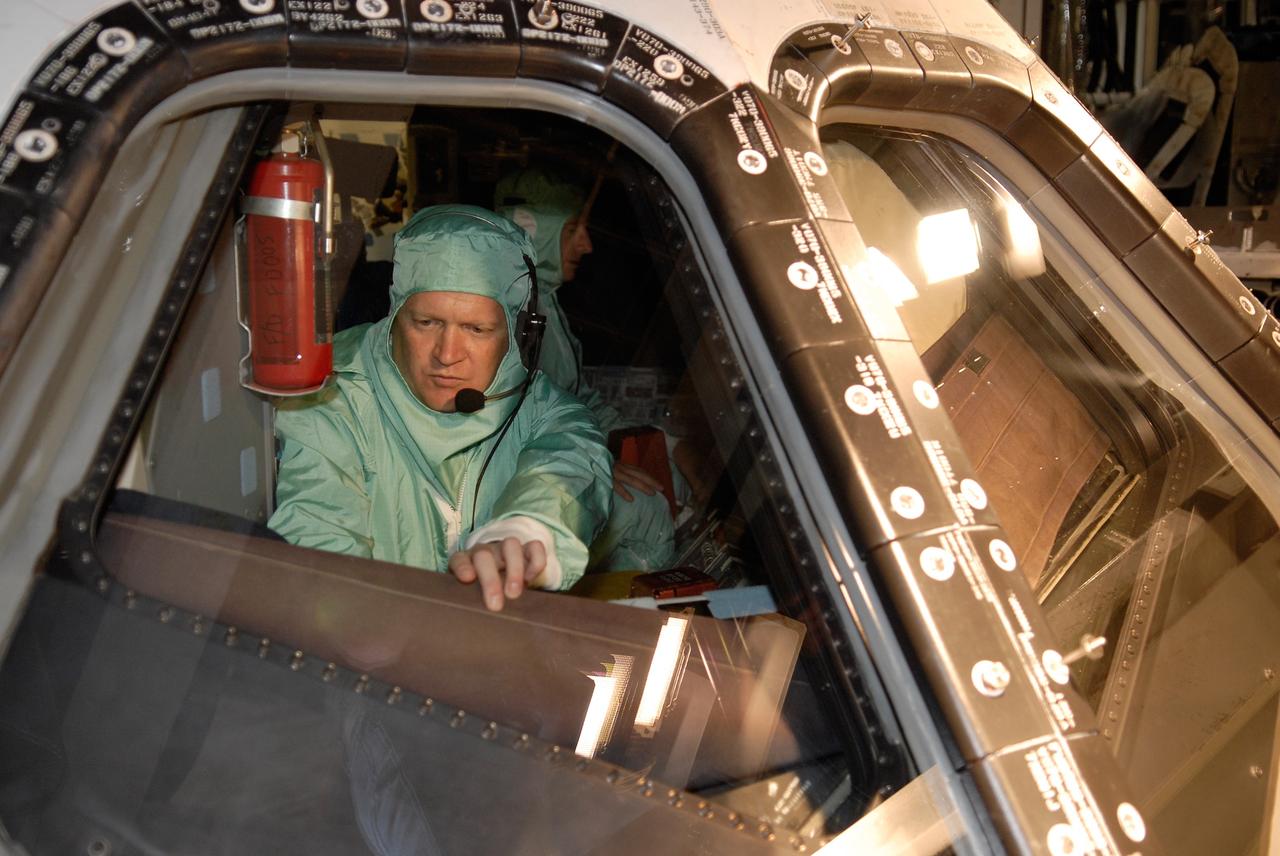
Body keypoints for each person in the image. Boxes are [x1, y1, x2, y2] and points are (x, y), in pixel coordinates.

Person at [268, 205, 613, 611]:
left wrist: (526, 530)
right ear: (396, 314)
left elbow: (572, 458)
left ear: (518, 334)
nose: (447, 355)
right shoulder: (328, 397)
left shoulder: (535, 405)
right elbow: (321, 552)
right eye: (426, 323)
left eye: (476, 329)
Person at [495, 168, 676, 571]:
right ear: (534, 231)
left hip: (565, 453)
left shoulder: (546, 305)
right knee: (647, 511)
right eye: (573, 229)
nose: (587, 244)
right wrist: (596, 464)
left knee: (666, 469)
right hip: (528, 478)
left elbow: (578, 398)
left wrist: (646, 438)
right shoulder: (510, 312)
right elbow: (510, 422)